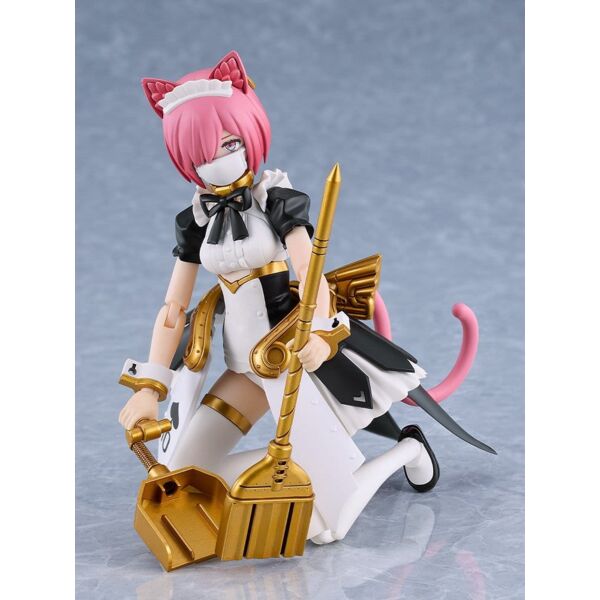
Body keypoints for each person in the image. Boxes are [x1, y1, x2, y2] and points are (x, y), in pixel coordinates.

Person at [118, 51, 494, 544]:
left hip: (292, 359)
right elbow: (173, 310)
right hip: (243, 369)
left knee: (328, 527)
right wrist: (150, 386)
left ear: (250, 135)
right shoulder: (196, 221)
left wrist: (319, 333)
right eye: (201, 153)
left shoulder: (275, 201)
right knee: (184, 473)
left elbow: (308, 273)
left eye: (229, 143)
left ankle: (409, 450)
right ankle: (297, 478)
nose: (217, 160)